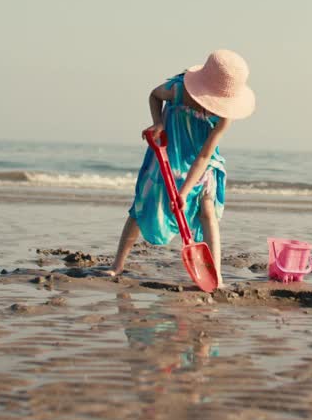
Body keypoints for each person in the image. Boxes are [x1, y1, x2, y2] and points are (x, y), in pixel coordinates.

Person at [108, 49, 256, 287]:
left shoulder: (225, 117)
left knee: (207, 211)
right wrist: (158, 123)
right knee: (141, 205)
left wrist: (185, 191)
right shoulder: (177, 90)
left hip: (202, 164)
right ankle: (117, 265)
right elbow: (154, 95)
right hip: (167, 156)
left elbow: (206, 154)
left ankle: (215, 275)